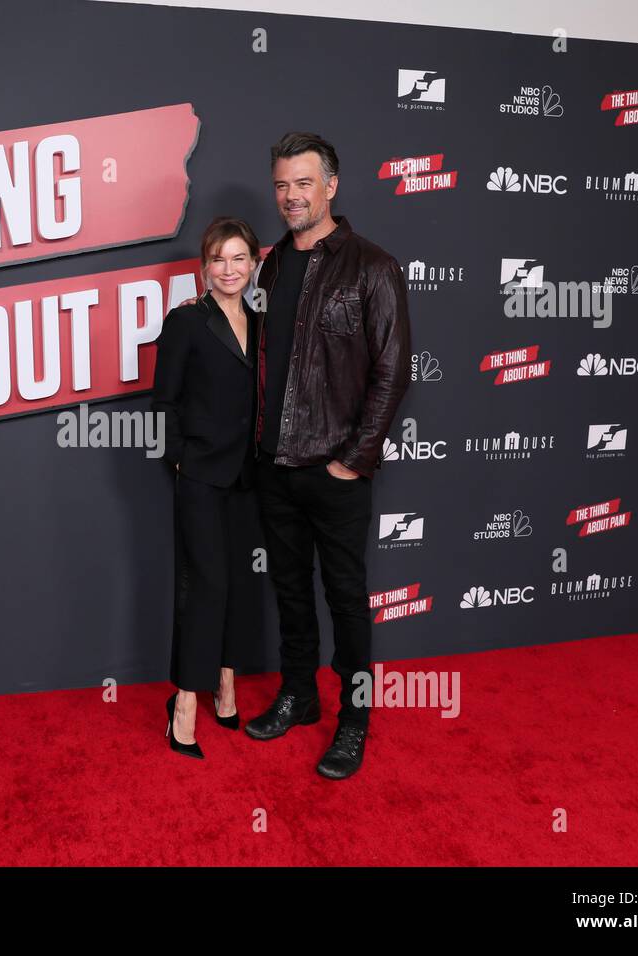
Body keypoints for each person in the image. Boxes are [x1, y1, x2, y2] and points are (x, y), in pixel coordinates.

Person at [241, 132, 411, 780]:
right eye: (282, 184)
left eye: (303, 183)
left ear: (331, 186)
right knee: (289, 593)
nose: (290, 196)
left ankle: (355, 721)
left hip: (337, 471)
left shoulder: (373, 266)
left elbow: (393, 370)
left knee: (345, 598)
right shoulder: (273, 265)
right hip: (275, 465)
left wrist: (354, 460)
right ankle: (299, 694)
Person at [151, 216, 265, 760]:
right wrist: (180, 461)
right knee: (206, 586)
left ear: (254, 265)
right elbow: (164, 403)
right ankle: (184, 706)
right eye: (219, 259)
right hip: (199, 476)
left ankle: (226, 684)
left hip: (246, 479)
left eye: (239, 258)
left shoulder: (261, 325)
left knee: (238, 584)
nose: (229, 269)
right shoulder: (186, 322)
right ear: (204, 266)